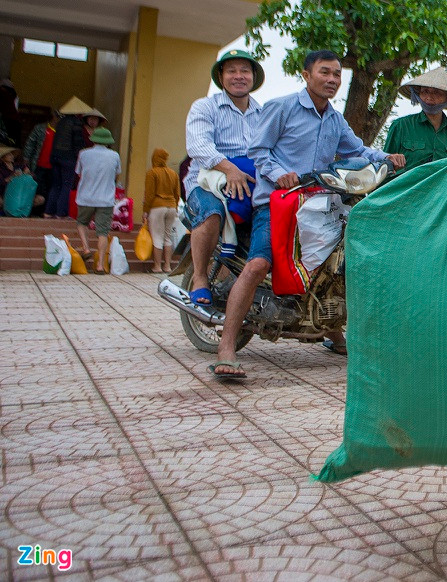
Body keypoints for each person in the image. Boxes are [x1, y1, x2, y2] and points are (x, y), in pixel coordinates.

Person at [209, 49, 406, 380]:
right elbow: (259, 150)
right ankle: (226, 347)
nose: (331, 80)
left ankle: (330, 328)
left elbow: (356, 150)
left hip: (319, 204)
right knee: (259, 263)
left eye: (336, 75)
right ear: (306, 74)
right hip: (277, 200)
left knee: (337, 262)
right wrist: (280, 171)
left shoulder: (334, 118)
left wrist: (385, 156)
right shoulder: (282, 107)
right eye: (324, 72)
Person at [183, 49, 266, 306]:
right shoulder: (205, 107)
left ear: (253, 76)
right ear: (221, 76)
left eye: (245, 70)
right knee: (212, 212)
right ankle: (199, 278)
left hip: (251, 186)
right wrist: (230, 169)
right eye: (231, 70)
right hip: (206, 182)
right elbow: (197, 145)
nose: (238, 76)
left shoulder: (263, 113)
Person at [383, 68, 447, 174]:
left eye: (437, 93)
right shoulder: (400, 126)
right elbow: (384, 167)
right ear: (418, 94)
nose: (429, 97)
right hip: (409, 189)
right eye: (425, 91)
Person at [73, 127, 120, 272]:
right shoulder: (114, 155)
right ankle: (100, 265)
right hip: (105, 199)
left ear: (94, 140)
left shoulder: (83, 154)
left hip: (85, 197)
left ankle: (86, 249)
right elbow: (116, 176)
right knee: (103, 233)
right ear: (108, 141)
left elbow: (78, 173)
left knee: (81, 223)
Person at [45, 96, 96, 218]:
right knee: (66, 186)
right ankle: (61, 213)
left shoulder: (61, 122)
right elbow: (78, 144)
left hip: (55, 156)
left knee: (56, 185)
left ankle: (48, 212)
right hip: (67, 159)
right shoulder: (76, 123)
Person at [143, 148, 181, 273]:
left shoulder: (152, 173)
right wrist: (175, 207)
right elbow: (177, 194)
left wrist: (146, 210)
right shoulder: (173, 173)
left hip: (157, 207)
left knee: (157, 237)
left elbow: (149, 195)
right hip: (171, 207)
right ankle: (168, 266)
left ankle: (157, 266)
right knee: (168, 237)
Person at [22, 107, 59, 216]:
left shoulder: (62, 132)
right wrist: (26, 163)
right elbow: (29, 145)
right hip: (38, 165)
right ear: (54, 116)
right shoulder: (40, 128)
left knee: (50, 190)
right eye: (58, 117)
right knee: (37, 190)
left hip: (54, 166)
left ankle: (45, 212)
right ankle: (34, 213)